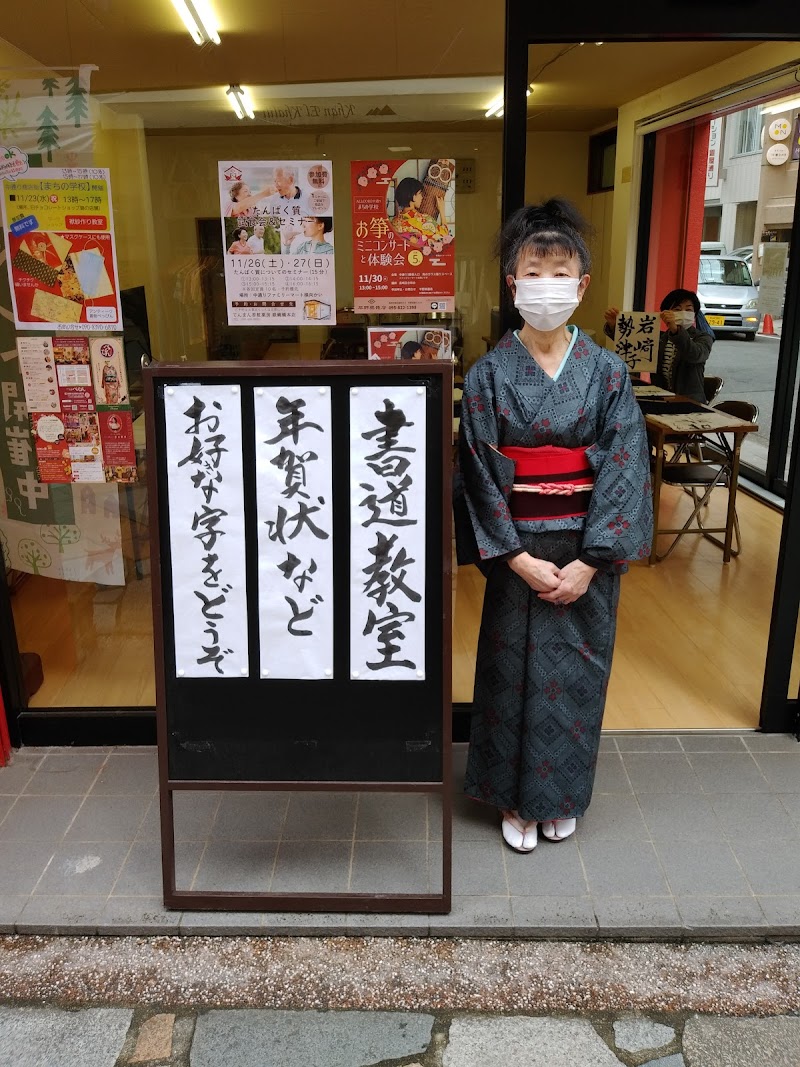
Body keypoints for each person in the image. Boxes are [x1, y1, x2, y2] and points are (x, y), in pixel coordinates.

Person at [454, 198, 652, 854]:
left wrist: (593, 561)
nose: (546, 286)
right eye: (533, 274)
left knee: (575, 674)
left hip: (585, 550)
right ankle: (514, 798)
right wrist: (514, 556)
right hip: (519, 549)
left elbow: (625, 466)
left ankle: (559, 796)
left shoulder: (608, 373)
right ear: (513, 284)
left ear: (582, 285)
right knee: (511, 675)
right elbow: (477, 470)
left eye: (559, 274)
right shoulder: (487, 376)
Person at [603, 289, 714, 404]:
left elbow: (695, 354)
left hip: (690, 402)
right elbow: (632, 343)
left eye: (689, 309)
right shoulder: (658, 337)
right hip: (660, 398)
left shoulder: (703, 337)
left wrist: (676, 331)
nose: (683, 312)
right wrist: (616, 326)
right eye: (677, 309)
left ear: (695, 314)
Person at [391, 177, 451, 248]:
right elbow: (445, 236)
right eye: (420, 193)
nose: (422, 197)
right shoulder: (423, 220)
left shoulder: (394, 222)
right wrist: (442, 210)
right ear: (413, 196)